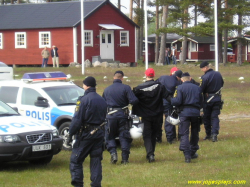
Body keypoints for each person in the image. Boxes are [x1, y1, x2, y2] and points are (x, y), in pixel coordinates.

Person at [68, 76, 107, 187]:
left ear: (86, 85)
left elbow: (77, 120)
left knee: (75, 160)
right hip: (99, 134)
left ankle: (78, 184)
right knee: (96, 160)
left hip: (86, 135)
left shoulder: (83, 100)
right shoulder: (102, 100)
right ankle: (96, 184)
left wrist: (71, 134)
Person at [132, 68, 169, 163]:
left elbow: (133, 100)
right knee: (154, 134)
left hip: (146, 115)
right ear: (153, 75)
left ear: (146, 75)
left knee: (147, 134)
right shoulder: (160, 86)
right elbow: (168, 97)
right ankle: (151, 153)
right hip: (158, 114)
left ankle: (150, 153)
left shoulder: (139, 88)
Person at [102, 71, 138, 164]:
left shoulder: (107, 89)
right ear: (122, 78)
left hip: (110, 117)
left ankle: (113, 154)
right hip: (123, 116)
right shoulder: (126, 88)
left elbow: (103, 104)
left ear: (114, 78)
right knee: (124, 137)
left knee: (109, 136)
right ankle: (125, 159)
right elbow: (134, 101)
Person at [171, 72, 202, 163]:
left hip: (184, 113)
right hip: (195, 113)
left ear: (182, 79)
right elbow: (201, 101)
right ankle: (193, 151)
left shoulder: (180, 88)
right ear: (190, 78)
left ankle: (187, 154)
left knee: (184, 133)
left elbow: (177, 101)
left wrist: (171, 100)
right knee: (195, 132)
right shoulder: (197, 88)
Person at [156, 68, 182, 144]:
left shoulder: (163, 77)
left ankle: (160, 138)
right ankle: (171, 138)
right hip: (169, 103)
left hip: (160, 102)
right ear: (178, 77)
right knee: (170, 120)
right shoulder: (177, 83)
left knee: (161, 120)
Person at [200, 61, 224, 142]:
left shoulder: (204, 77)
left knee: (206, 117)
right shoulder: (218, 74)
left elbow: (201, 89)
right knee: (214, 117)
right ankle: (214, 134)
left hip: (208, 99)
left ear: (205, 68)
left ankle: (209, 134)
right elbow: (222, 84)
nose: (202, 70)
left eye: (202, 68)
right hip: (217, 98)